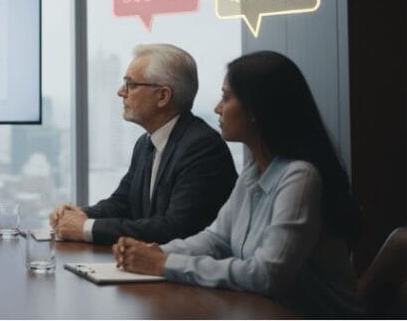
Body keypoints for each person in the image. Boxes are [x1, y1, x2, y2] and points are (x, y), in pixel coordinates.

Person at [113, 51, 362, 316]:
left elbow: (267, 275)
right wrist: (154, 252)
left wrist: (165, 264)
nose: (217, 108)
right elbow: (216, 239)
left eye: (226, 97)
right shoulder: (254, 171)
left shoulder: (301, 178)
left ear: (255, 110)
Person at [50, 44, 236, 245]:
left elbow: (174, 229)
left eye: (130, 84)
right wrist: (80, 215)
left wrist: (86, 227)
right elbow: (123, 203)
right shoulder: (145, 142)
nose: (121, 92)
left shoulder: (202, 147)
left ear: (163, 96)